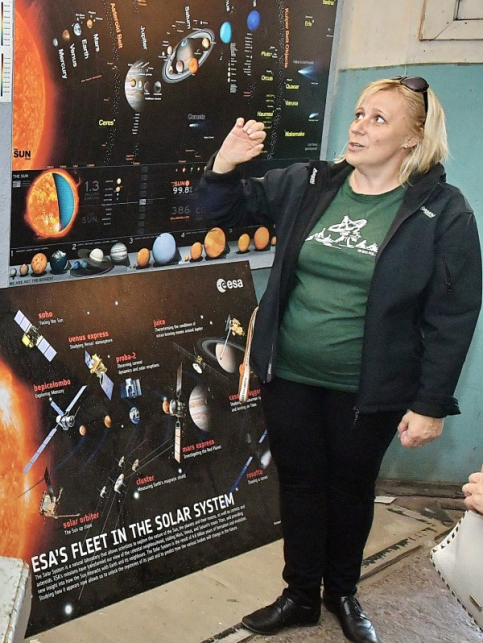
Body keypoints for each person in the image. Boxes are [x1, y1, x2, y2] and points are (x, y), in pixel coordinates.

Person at [198, 77, 482, 643]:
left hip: (369, 388)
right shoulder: (312, 183)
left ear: (413, 137)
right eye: (358, 114)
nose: (358, 127)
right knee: (301, 484)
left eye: (378, 119)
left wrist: (430, 404)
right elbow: (216, 209)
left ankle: (343, 593)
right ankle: (301, 595)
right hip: (291, 375)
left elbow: (452, 314)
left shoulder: (443, 210)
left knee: (350, 489)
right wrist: (224, 164)